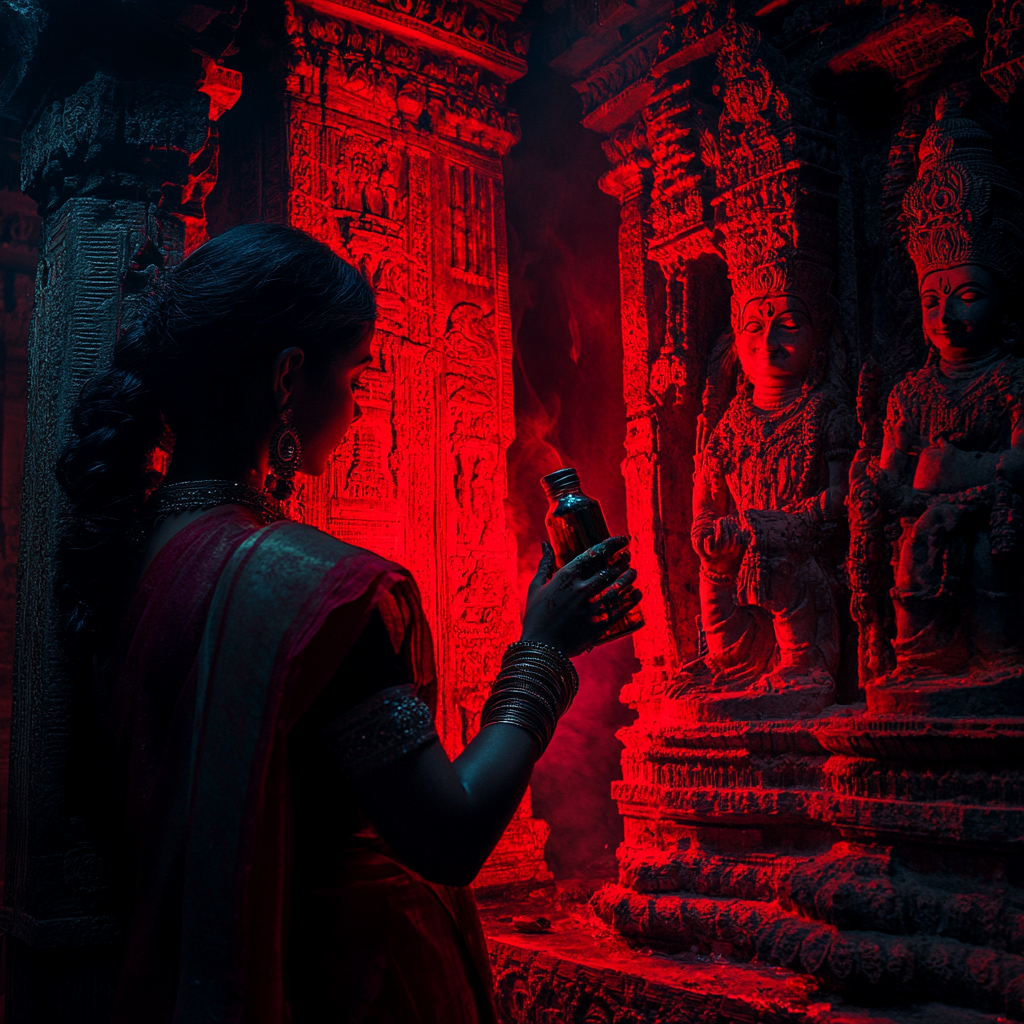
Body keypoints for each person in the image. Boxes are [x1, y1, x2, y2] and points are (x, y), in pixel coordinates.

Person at [56, 223, 640, 1023]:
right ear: (289, 379)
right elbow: (449, 836)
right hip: (332, 986)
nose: (362, 408)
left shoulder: (132, 552)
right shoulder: (324, 597)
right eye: (358, 375)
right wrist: (543, 651)